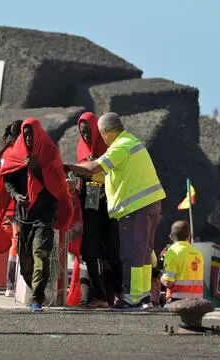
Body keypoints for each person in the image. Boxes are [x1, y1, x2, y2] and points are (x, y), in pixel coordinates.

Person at [65, 112, 166, 310]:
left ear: (105, 132)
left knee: (132, 253)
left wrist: (66, 166)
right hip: (151, 204)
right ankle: (144, 295)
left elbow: (94, 167)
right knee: (144, 253)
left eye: (101, 134)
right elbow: (112, 176)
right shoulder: (131, 141)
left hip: (135, 207)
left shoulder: (120, 146)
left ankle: (133, 298)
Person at [0, 118, 73, 312]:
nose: (28, 139)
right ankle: (35, 289)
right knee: (25, 263)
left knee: (41, 254)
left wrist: (36, 169)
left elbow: (57, 187)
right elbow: (8, 179)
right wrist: (16, 195)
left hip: (44, 216)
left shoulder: (50, 152)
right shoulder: (17, 153)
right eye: (25, 135)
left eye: (31, 135)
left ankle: (37, 299)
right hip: (23, 216)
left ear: (39, 134)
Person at [75, 112, 121, 308]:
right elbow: (81, 179)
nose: (85, 137)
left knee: (113, 252)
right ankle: (99, 296)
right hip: (90, 208)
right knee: (89, 252)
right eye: (82, 132)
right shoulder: (81, 149)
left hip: (110, 208)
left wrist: (95, 167)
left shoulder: (111, 150)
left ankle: (123, 294)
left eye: (88, 132)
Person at [0, 119, 23, 297]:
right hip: (13, 207)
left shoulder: (3, 153)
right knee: (16, 246)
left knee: (14, 247)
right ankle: (12, 284)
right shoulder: (14, 153)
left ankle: (11, 285)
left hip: (5, 207)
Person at [160, 221, 204, 304]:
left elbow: (168, 282)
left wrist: (159, 276)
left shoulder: (172, 252)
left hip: (177, 301)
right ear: (189, 236)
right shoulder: (198, 254)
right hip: (197, 302)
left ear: (171, 237)